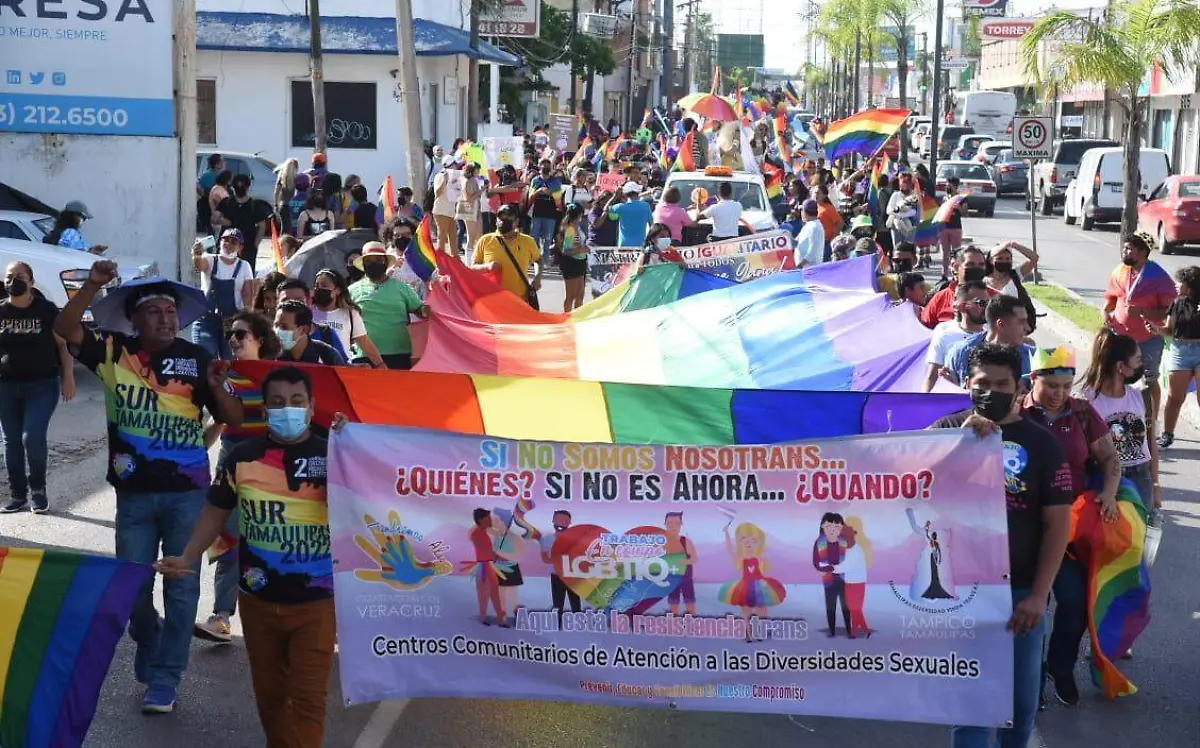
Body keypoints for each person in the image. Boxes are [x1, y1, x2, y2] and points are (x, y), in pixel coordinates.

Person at [54, 261, 244, 713]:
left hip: (188, 494)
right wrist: (94, 286)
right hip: (133, 496)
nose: (166, 319)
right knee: (131, 588)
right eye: (155, 311)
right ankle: (148, 634)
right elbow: (64, 327)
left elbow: (234, 420)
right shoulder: (113, 351)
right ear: (133, 320)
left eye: (171, 312)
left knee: (181, 588)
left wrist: (218, 390)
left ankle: (166, 678)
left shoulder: (198, 359)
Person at [158, 366, 335, 748]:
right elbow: (215, 511)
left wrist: (353, 446)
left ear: (311, 406)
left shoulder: (335, 457)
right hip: (258, 603)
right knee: (271, 698)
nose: (287, 409)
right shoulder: (242, 457)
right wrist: (188, 557)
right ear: (264, 408)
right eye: (277, 403)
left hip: (317, 604)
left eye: (296, 401)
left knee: (307, 698)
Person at [930, 343, 1072, 748]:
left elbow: (1056, 526)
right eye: (982, 384)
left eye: (1001, 384)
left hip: (1021, 595)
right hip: (962, 593)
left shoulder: (1042, 444)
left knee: (1019, 706)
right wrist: (956, 445)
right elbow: (905, 484)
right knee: (972, 709)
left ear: (1019, 386)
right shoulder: (944, 431)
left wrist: (1039, 596)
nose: (991, 391)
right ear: (966, 385)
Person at [1021, 346, 1121, 707]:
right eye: (1051, 385)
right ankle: (1029, 679)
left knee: (1075, 603)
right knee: (1028, 605)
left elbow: (1109, 457)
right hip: (1022, 528)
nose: (1059, 394)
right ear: (1033, 380)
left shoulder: (1081, 413)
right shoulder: (1016, 412)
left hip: (1069, 530)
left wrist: (1109, 493)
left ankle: (1059, 667)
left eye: (1065, 386)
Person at [192, 310, 280, 644]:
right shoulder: (224, 376)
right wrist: (208, 431)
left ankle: (271, 617)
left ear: (260, 340)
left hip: (269, 468)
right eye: (231, 334)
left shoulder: (278, 376)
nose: (234, 339)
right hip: (230, 466)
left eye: (241, 334)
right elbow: (214, 431)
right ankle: (222, 617)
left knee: (268, 543)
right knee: (229, 541)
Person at [0, 261, 75, 514]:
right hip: (6, 386)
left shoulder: (46, 310)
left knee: (31, 437)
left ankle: (38, 490)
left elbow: (63, 346)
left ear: (31, 281)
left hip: (41, 385)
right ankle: (17, 495)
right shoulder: (1, 312)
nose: (14, 281)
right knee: (10, 442)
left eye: (20, 276)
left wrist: (68, 378)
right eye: (10, 277)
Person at [1103, 231, 1176, 438]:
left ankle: (1151, 422)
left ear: (1143, 252)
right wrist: (1105, 312)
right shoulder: (1120, 271)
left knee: (1148, 380)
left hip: (1148, 340)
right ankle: (1117, 420)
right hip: (1121, 336)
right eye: (1125, 248)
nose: (1125, 251)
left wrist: (1144, 312)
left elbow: (1170, 311)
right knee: (1116, 377)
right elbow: (1110, 298)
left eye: (1130, 249)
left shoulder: (1159, 277)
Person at [1078, 328, 1162, 509]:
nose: (1142, 364)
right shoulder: (1086, 401)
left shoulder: (1143, 396)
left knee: (1140, 535)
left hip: (1141, 477)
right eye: (1138, 360)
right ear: (1120, 367)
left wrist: (1155, 485)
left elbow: (1151, 443)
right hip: (1104, 479)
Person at [349, 242, 428, 369]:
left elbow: (421, 311)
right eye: (369, 260)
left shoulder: (402, 287)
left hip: (399, 354)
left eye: (378, 259)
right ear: (363, 264)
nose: (373, 263)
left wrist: (434, 302)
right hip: (364, 356)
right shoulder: (351, 291)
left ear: (385, 262)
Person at [1150, 266, 1200, 448]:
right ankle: (1168, 434)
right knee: (1174, 397)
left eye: (1181, 282)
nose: (1177, 285)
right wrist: (1157, 329)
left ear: (1191, 285)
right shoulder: (1177, 303)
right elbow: (1169, 329)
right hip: (1180, 351)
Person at [944, 295, 1034, 387]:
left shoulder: (1033, 357)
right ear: (1001, 324)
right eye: (1021, 322)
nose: (1027, 327)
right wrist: (955, 390)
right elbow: (949, 395)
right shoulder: (961, 353)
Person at [190, 230, 254, 359]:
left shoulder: (244, 266)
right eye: (225, 240)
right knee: (206, 357)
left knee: (230, 363)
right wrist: (196, 253)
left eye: (233, 242)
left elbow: (247, 294)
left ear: (240, 247)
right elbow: (199, 265)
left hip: (231, 323)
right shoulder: (210, 259)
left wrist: (246, 319)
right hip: (207, 320)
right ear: (220, 242)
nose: (228, 244)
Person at [924, 281, 990, 392]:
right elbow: (931, 377)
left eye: (989, 303)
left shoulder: (992, 333)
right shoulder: (945, 335)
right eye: (982, 303)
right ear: (962, 307)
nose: (987, 308)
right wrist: (923, 404)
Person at [473, 205, 543, 309]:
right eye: (501, 218)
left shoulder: (528, 241)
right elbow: (472, 267)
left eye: (508, 218)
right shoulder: (485, 240)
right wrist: (487, 267)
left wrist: (537, 278)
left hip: (519, 302)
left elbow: (539, 260)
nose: (503, 221)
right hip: (492, 302)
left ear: (516, 222)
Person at [310, 269, 384, 367]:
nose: (319, 289)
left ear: (338, 290)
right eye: (316, 286)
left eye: (324, 286)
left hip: (341, 369)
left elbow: (364, 342)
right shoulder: (308, 312)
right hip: (313, 368)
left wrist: (381, 365)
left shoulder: (350, 313)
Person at [921, 246, 991, 328]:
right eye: (970, 264)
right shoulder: (940, 298)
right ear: (955, 267)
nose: (976, 268)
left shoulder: (994, 297)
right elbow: (924, 329)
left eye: (981, 265)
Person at [213, 174, 272, 269]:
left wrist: (254, 246)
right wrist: (223, 221)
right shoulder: (226, 202)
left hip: (247, 248)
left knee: (245, 277)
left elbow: (262, 226)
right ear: (249, 187)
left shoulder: (254, 205)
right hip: (228, 247)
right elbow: (214, 219)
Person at [984, 241, 1039, 331]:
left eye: (1008, 258)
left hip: (1016, 326)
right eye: (1000, 258)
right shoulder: (983, 280)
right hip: (990, 327)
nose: (1004, 261)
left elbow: (1034, 258)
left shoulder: (1016, 275)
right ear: (991, 260)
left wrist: (1014, 245)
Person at [540, 509, 581, 627]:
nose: (560, 524)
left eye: (564, 521)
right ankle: (557, 624)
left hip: (572, 574)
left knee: (575, 601)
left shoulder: (575, 539)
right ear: (553, 521)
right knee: (558, 602)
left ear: (569, 522)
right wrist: (558, 559)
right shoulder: (547, 539)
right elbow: (545, 558)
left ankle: (579, 623)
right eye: (558, 520)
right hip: (556, 575)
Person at [274, 300, 346, 366]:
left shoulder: (328, 355)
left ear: (304, 329)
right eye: (276, 325)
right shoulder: (270, 354)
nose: (277, 332)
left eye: (284, 327)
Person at [527, 159, 562, 265]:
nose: (545, 168)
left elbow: (559, 199)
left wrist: (550, 193)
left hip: (550, 215)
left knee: (547, 240)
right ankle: (534, 259)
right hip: (536, 214)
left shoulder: (555, 181)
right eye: (543, 166)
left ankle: (545, 262)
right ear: (539, 167)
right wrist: (538, 192)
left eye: (547, 166)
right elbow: (530, 197)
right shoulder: (535, 180)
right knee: (534, 238)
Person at [557, 203, 589, 312]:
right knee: (571, 296)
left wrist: (583, 248)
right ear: (579, 214)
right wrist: (581, 249)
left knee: (580, 294)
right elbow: (566, 251)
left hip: (581, 261)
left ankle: (577, 318)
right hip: (571, 263)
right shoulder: (570, 229)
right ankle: (567, 319)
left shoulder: (577, 227)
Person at [43, 200, 108, 254]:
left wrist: (92, 249)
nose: (83, 221)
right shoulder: (70, 233)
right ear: (74, 216)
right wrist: (91, 252)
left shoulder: (60, 230)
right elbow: (73, 253)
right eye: (83, 218)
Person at [939, 177, 968, 277]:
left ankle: (956, 273)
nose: (947, 187)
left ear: (955, 186)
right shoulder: (944, 198)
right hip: (944, 228)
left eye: (949, 185)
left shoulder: (961, 198)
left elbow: (965, 213)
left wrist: (958, 207)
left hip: (955, 228)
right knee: (945, 252)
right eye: (946, 185)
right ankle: (944, 274)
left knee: (956, 253)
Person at [456, 162, 484, 253]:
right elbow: (468, 199)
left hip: (475, 208)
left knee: (478, 236)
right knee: (471, 236)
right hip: (468, 210)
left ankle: (477, 258)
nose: (479, 171)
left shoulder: (473, 180)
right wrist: (481, 190)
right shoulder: (466, 181)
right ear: (472, 170)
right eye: (477, 169)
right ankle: (469, 261)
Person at [792, 199, 825, 269]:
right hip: (805, 269)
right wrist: (786, 236)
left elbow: (813, 252)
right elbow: (796, 243)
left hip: (811, 269)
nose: (801, 213)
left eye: (801, 210)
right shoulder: (809, 225)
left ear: (805, 211)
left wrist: (800, 265)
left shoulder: (815, 227)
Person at [273, 158, 300, 234]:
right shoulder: (296, 179)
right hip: (292, 206)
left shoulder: (282, 177)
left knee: (284, 228)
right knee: (289, 229)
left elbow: (276, 192)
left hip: (283, 205)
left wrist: (276, 205)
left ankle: (281, 244)